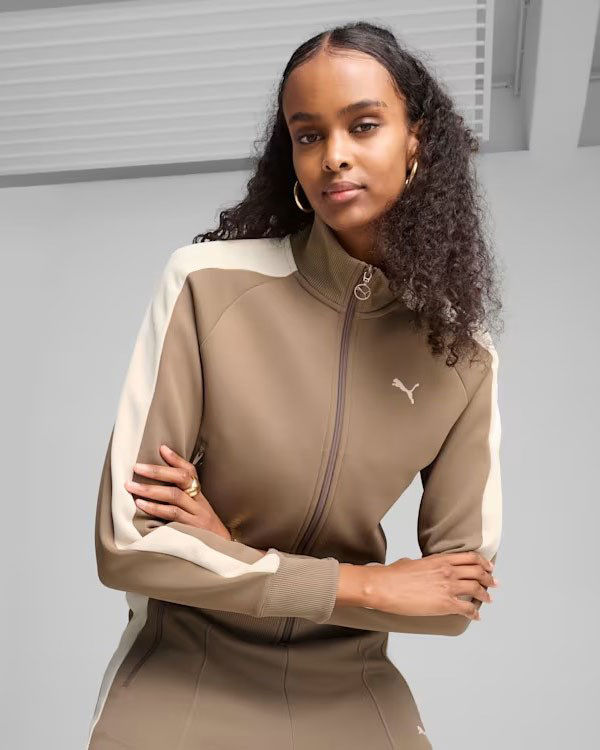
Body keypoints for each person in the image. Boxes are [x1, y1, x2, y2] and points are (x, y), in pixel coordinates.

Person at [86, 20, 502, 750]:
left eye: (363, 125)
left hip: (352, 686)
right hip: (186, 669)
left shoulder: (463, 356)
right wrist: (366, 585)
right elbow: (128, 545)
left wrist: (230, 551)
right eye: (308, 135)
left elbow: (451, 601)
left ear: (417, 141)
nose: (333, 155)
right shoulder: (207, 286)